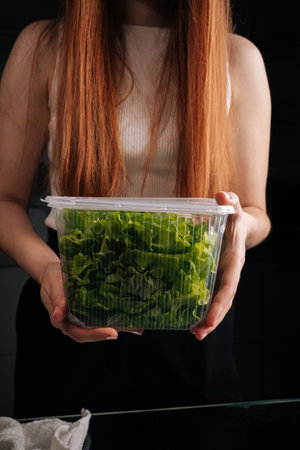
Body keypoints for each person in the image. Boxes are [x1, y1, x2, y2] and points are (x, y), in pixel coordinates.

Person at [0, 0, 271, 418]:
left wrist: (238, 226)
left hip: (192, 317)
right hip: (73, 303)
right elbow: (5, 201)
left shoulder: (236, 57)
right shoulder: (45, 47)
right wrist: (50, 271)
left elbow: (256, 211)